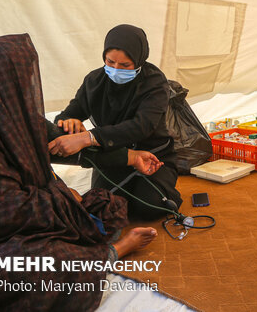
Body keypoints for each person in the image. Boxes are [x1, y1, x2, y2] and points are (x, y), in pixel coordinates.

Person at [0, 34, 159, 311]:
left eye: (125, 65)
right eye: (21, 79)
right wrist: (63, 200)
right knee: (28, 262)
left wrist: (130, 157)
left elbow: (62, 142)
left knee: (127, 205)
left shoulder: (13, 114)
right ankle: (111, 253)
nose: (27, 87)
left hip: (148, 152)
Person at [50, 24, 182, 220]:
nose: (115, 69)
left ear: (139, 60)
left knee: (150, 207)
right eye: (110, 62)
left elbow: (142, 126)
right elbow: (68, 114)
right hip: (112, 157)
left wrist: (89, 137)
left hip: (153, 157)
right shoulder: (94, 81)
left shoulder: (154, 83)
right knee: (104, 207)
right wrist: (69, 122)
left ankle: (164, 189)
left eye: (125, 65)